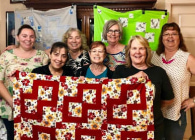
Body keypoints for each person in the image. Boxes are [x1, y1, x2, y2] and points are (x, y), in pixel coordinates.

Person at [112, 35, 174, 140]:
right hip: (125, 128)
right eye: (134, 48)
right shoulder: (120, 70)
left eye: (141, 48)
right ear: (129, 52)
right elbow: (112, 97)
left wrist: (150, 106)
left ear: (147, 51)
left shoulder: (159, 72)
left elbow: (169, 99)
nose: (138, 52)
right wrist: (132, 78)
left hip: (154, 127)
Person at [0, 24, 49, 140]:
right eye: (24, 36)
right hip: (10, 106)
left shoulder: (42, 56)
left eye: (31, 36)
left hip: (34, 108)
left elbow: (48, 81)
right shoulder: (6, 56)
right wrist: (12, 102)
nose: (28, 39)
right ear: (17, 37)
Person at [151, 22, 195, 140]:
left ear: (179, 38)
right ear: (162, 38)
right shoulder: (154, 56)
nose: (170, 37)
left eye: (174, 33)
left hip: (176, 115)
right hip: (155, 113)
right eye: (166, 34)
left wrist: (194, 100)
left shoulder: (187, 58)